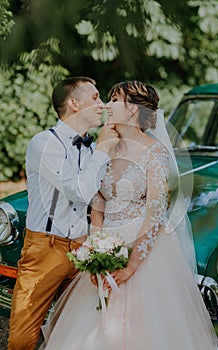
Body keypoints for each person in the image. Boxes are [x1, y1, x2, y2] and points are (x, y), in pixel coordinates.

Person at [41, 81, 218, 349]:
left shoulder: (155, 152)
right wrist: (97, 250)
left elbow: (156, 211)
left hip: (146, 253)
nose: (107, 105)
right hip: (108, 246)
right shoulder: (106, 148)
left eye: (115, 99)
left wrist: (132, 265)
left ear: (133, 110)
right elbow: (98, 203)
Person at [8, 76, 119, 350]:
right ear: (73, 103)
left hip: (84, 247)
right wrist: (104, 150)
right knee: (22, 338)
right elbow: (79, 191)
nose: (102, 104)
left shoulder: (92, 147)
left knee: (76, 334)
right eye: (94, 98)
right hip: (45, 250)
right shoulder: (44, 144)